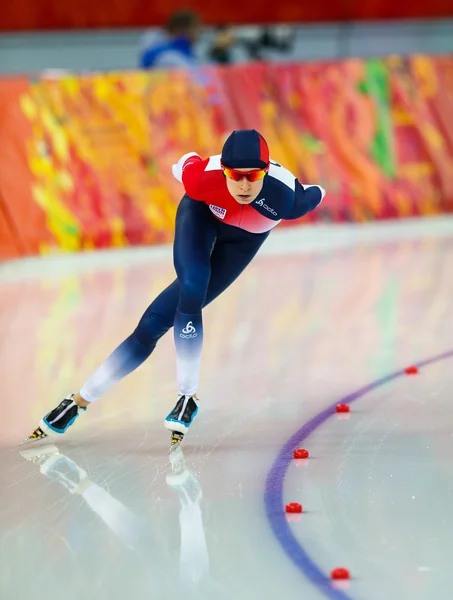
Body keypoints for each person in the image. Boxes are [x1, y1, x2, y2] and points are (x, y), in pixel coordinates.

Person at [23, 130, 325, 447]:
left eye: (253, 176)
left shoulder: (287, 197)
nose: (244, 185)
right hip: (201, 217)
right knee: (187, 290)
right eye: (236, 176)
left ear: (265, 172)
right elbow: (182, 163)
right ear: (224, 170)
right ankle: (80, 402)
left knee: (161, 317)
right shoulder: (200, 179)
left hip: (243, 242)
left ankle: (183, 398)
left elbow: (315, 193)